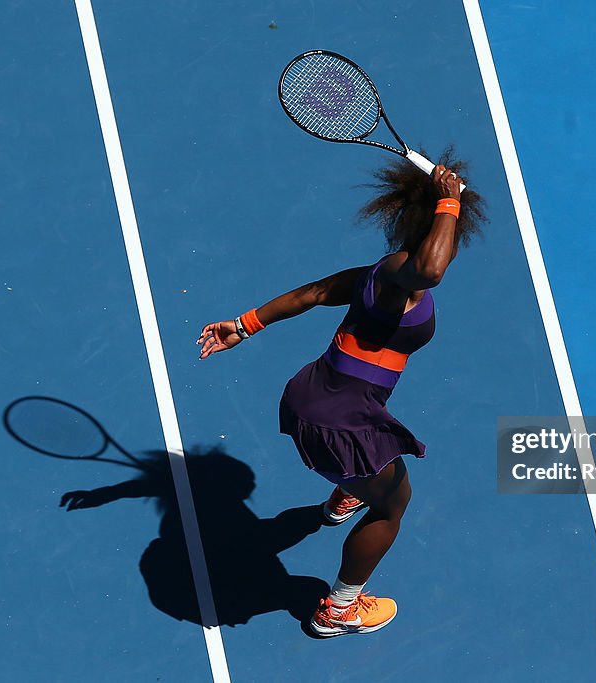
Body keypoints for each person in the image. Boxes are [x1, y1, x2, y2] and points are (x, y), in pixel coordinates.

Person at [196, 151, 486, 637]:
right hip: (339, 422)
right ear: (435, 224)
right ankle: (339, 609)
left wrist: (244, 325)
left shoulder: (375, 273)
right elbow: (432, 269)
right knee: (393, 506)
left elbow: (311, 293)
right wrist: (451, 204)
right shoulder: (404, 275)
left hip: (313, 395)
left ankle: (348, 489)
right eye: (451, 230)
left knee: (371, 472)